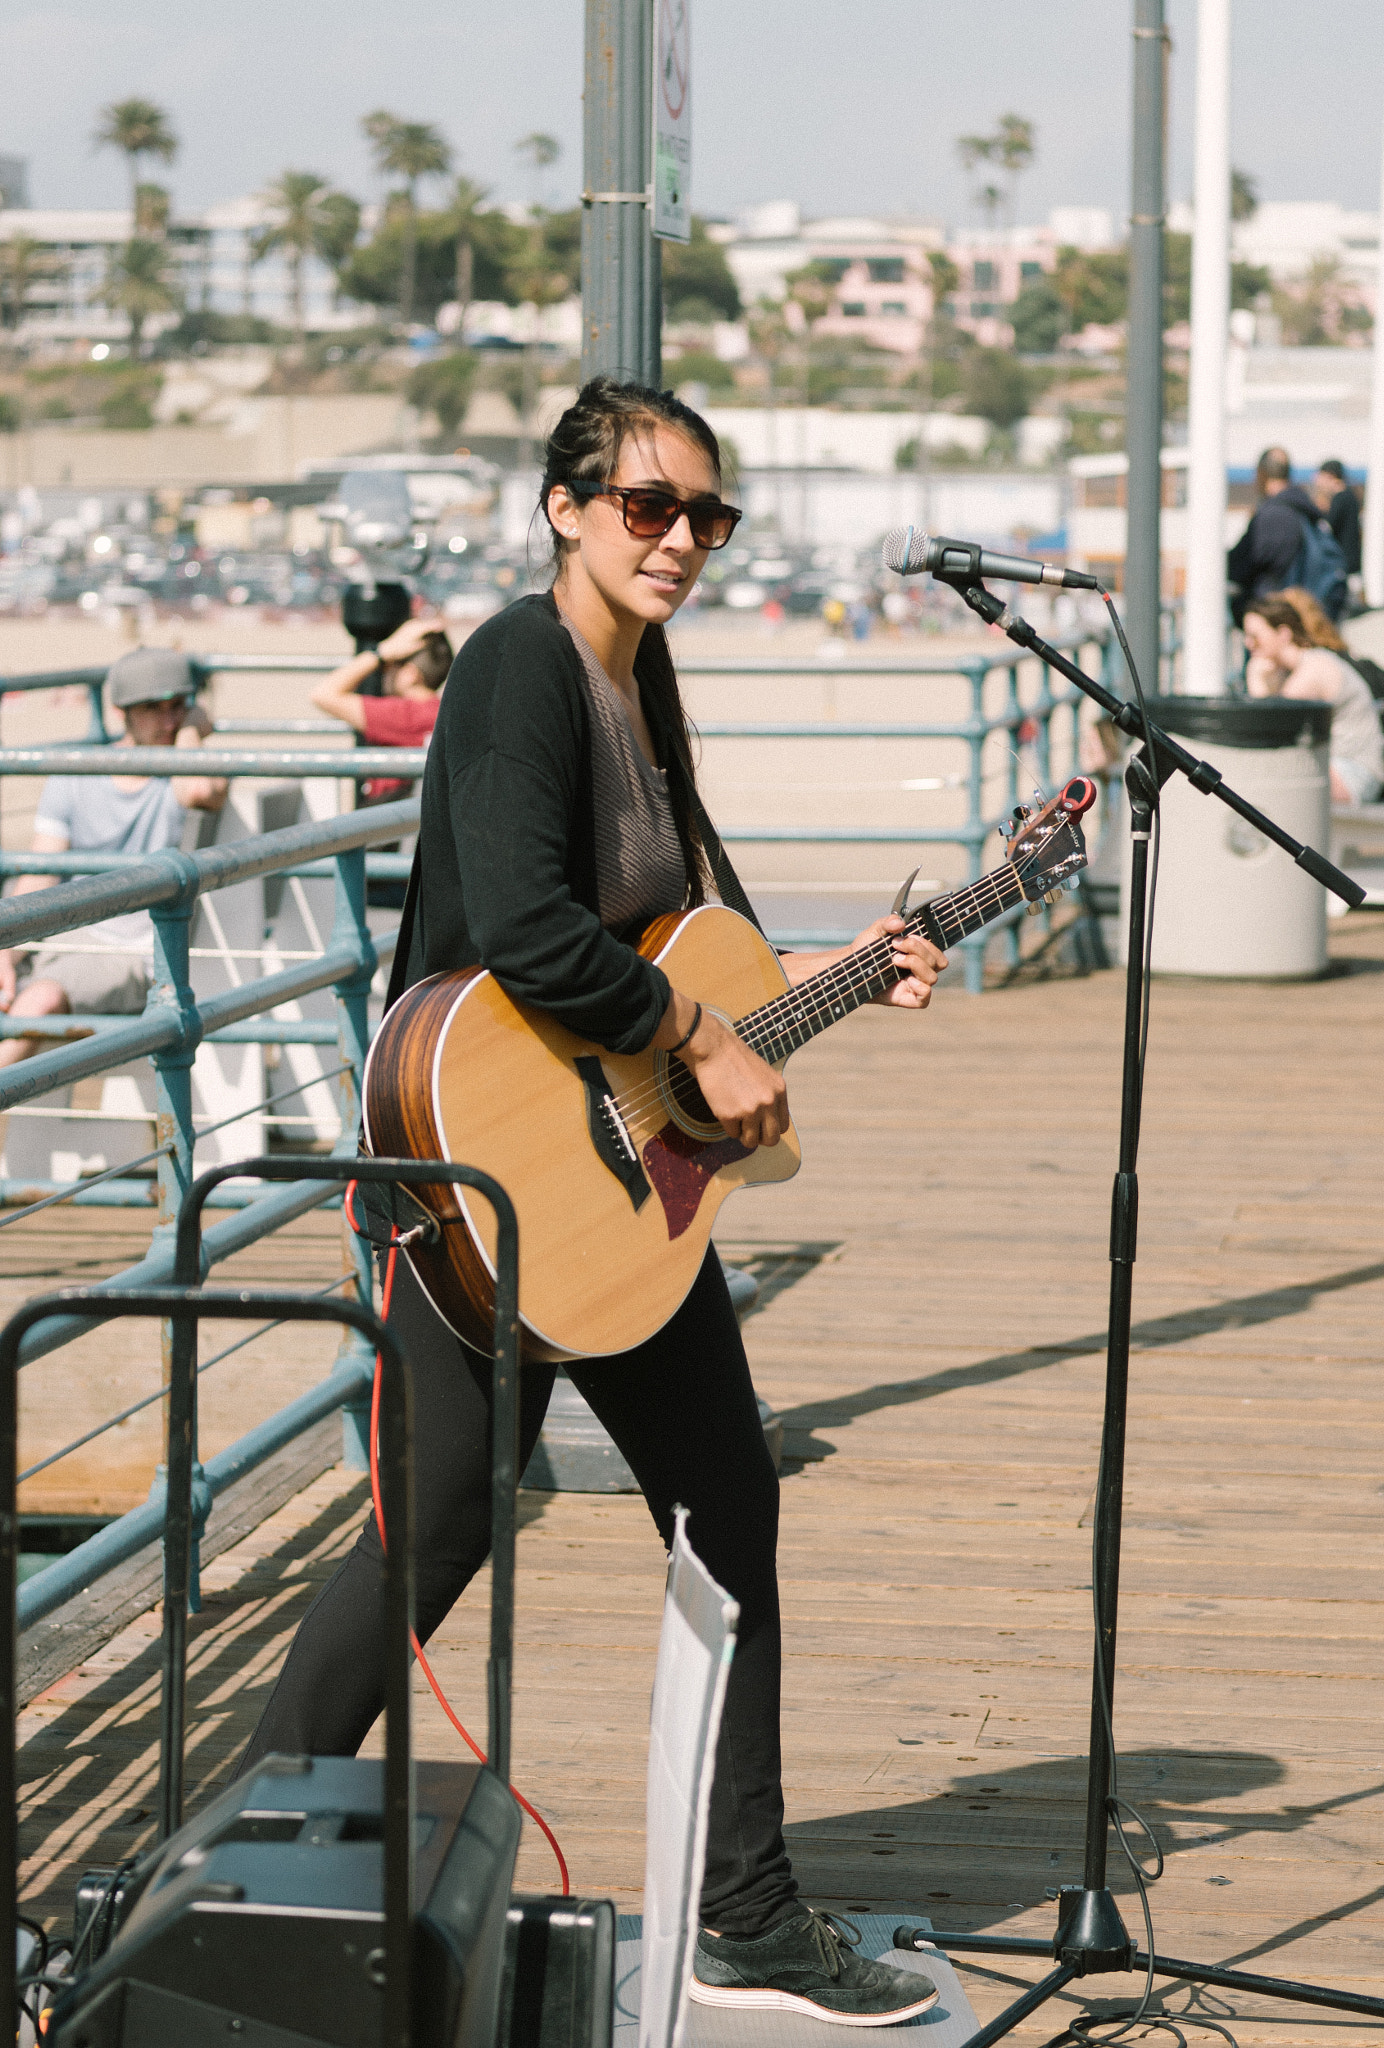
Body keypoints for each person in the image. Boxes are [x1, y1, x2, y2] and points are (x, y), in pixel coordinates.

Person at [234, 379, 948, 2028]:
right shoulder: (513, 668)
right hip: (473, 1166)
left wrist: (832, 975)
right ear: (563, 505)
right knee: (439, 1526)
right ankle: (234, 1863)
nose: (682, 539)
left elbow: (670, 932)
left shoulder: (641, 680)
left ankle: (744, 1908)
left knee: (721, 1506)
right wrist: (693, 1029)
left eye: (709, 515)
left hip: (620, 1179)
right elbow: (530, 926)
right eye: (650, 505)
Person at [0, 648, 228, 1067]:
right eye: (153, 709)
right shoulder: (77, 775)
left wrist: (192, 735)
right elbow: (40, 875)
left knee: (39, 1001)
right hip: (66, 938)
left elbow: (200, 792)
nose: (169, 721)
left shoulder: (185, 773)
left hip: (137, 953)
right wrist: (4, 952)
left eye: (179, 707)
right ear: (122, 710)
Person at [1242, 594, 1384, 805]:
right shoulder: (1292, 669)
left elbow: (1269, 731)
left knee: (1270, 782)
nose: (1248, 644)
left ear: (1283, 634)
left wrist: (1255, 679)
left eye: (1255, 637)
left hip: (1355, 774)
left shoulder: (1314, 668)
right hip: (1337, 769)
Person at [311, 615, 452, 801]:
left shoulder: (404, 715)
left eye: (391, 664)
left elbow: (322, 694)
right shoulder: (443, 712)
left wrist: (381, 652)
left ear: (410, 674)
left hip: (386, 816)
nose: (384, 672)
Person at [1226, 446, 1341, 620]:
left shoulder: (1273, 515)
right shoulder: (1303, 510)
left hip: (1276, 620)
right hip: (1300, 613)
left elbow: (1240, 564)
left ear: (1262, 474)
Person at [1309, 460, 1362, 579]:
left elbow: (1325, 527)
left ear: (1330, 476)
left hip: (1344, 564)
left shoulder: (1341, 498)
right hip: (1350, 562)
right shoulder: (1349, 497)